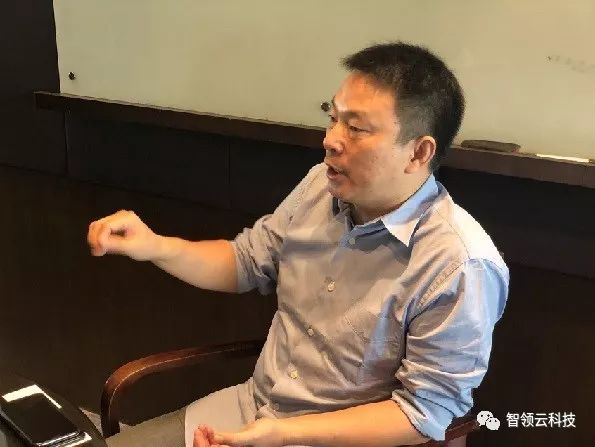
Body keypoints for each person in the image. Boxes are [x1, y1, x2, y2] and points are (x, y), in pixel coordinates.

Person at [87, 42, 508, 447]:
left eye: (356, 127)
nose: (331, 139)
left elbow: (422, 412)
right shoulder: (320, 186)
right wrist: (155, 246)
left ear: (418, 153)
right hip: (249, 410)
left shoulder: (459, 264)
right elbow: (245, 261)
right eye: (333, 118)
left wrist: (285, 434)